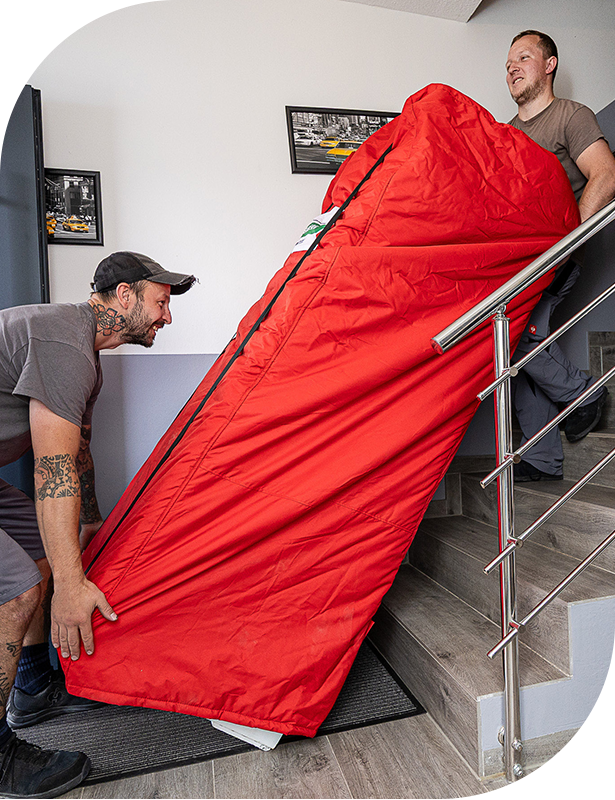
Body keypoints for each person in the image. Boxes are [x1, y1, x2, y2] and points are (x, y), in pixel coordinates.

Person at [0, 251, 195, 797]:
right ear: (125, 295)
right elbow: (52, 468)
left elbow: (77, 451)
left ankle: (32, 687)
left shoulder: (83, 350)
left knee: (41, 553)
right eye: (161, 302)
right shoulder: (65, 343)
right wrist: (70, 582)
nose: (167, 316)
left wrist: (88, 522)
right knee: (18, 590)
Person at [505, 30, 615, 481]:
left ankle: (584, 394)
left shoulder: (571, 115)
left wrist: (567, 242)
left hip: (556, 256)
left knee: (520, 337)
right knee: (510, 349)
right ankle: (542, 459)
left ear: (549, 65)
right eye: (508, 63)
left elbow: (605, 175)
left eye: (523, 57)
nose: (512, 67)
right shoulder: (505, 134)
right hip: (515, 262)